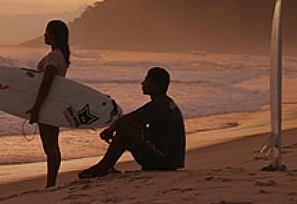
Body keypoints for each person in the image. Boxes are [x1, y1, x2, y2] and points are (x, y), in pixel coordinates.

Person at [79, 67, 185, 178]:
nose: (142, 83)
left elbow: (128, 119)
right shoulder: (165, 103)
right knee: (130, 126)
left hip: (165, 161)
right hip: (168, 159)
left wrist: (110, 131)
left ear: (156, 84)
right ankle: (106, 166)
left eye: (146, 80)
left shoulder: (159, 105)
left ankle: (103, 167)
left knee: (128, 128)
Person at [26, 20, 71, 188]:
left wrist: (37, 108)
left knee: (50, 147)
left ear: (54, 35)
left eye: (47, 32)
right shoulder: (62, 55)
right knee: (53, 145)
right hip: (54, 103)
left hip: (48, 104)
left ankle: (51, 184)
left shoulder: (53, 57)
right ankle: (51, 183)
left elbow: (46, 84)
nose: (44, 35)